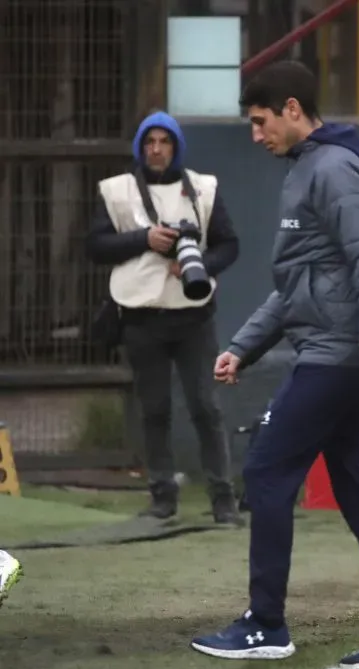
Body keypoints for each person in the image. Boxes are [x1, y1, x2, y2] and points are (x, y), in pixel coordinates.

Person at [190, 60, 359, 669]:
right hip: (332, 354)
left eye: (260, 122)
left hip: (335, 359)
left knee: (267, 472)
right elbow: (297, 282)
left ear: (293, 111)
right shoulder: (309, 168)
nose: (255, 135)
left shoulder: (333, 169)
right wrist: (244, 346)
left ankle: (266, 624)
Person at [85, 111, 242, 524]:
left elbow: (229, 245)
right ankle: (161, 498)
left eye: (164, 141)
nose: (156, 149)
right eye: (149, 141)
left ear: (176, 146)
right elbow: (95, 245)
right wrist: (145, 239)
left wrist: (200, 265)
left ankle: (222, 500)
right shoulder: (116, 191)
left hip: (193, 315)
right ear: (140, 146)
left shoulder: (204, 189)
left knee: (206, 408)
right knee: (153, 410)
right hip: (140, 315)